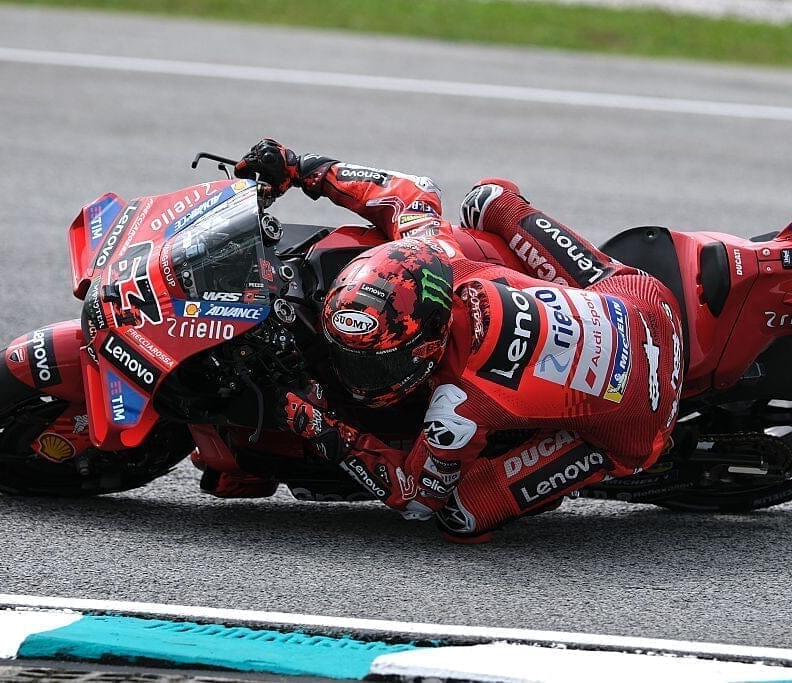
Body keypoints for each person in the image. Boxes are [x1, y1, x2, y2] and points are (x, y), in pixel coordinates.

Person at [225, 138, 684, 542]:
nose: (355, 375)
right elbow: (407, 190)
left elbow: (415, 499)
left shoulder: (456, 407)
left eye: (376, 363)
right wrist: (300, 166)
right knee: (490, 198)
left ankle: (599, 461)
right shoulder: (433, 248)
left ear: (428, 348)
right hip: (643, 299)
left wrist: (322, 428)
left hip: (641, 420)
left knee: (461, 516)